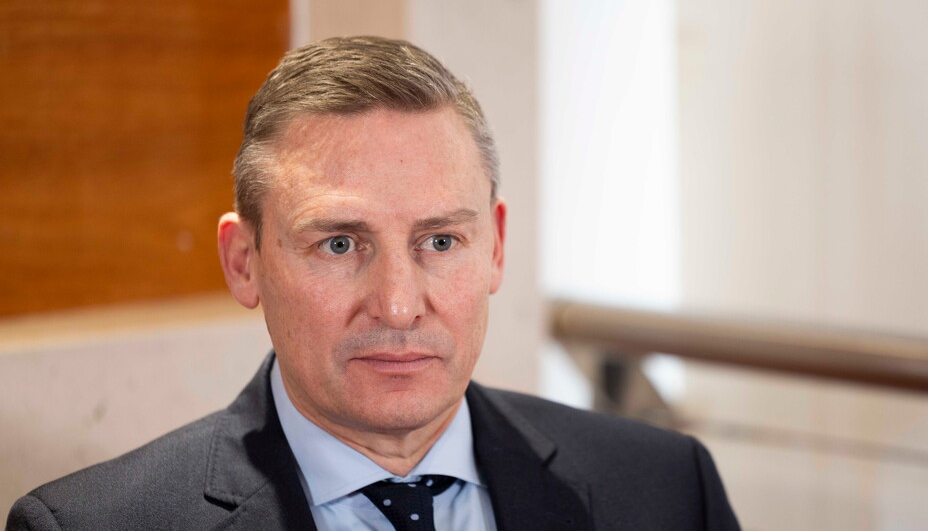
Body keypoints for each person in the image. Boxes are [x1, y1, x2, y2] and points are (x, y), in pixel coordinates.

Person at [6, 36, 739, 531]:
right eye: (338, 244)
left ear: (496, 247)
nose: (397, 304)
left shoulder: (667, 489)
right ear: (244, 262)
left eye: (440, 241)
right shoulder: (88, 526)